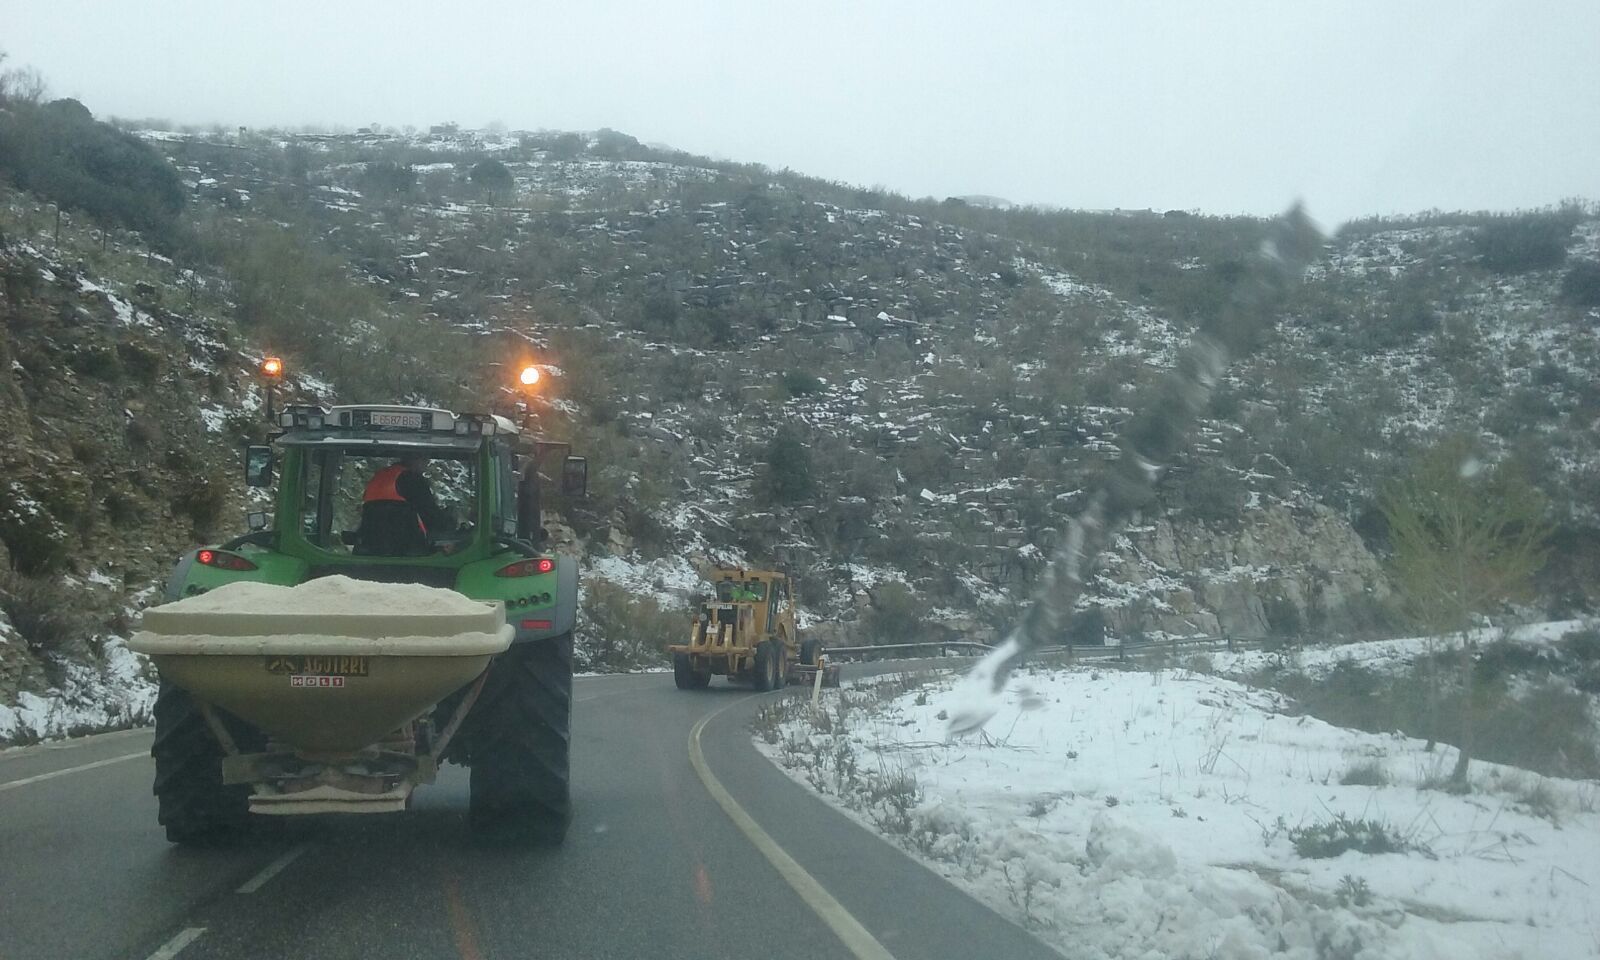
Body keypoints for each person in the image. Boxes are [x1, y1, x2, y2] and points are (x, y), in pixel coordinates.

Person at [356, 454, 448, 555]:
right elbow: (430, 513)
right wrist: (449, 524)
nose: (426, 463)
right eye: (425, 459)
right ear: (416, 460)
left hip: (370, 548)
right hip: (404, 550)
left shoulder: (379, 476)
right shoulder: (411, 480)